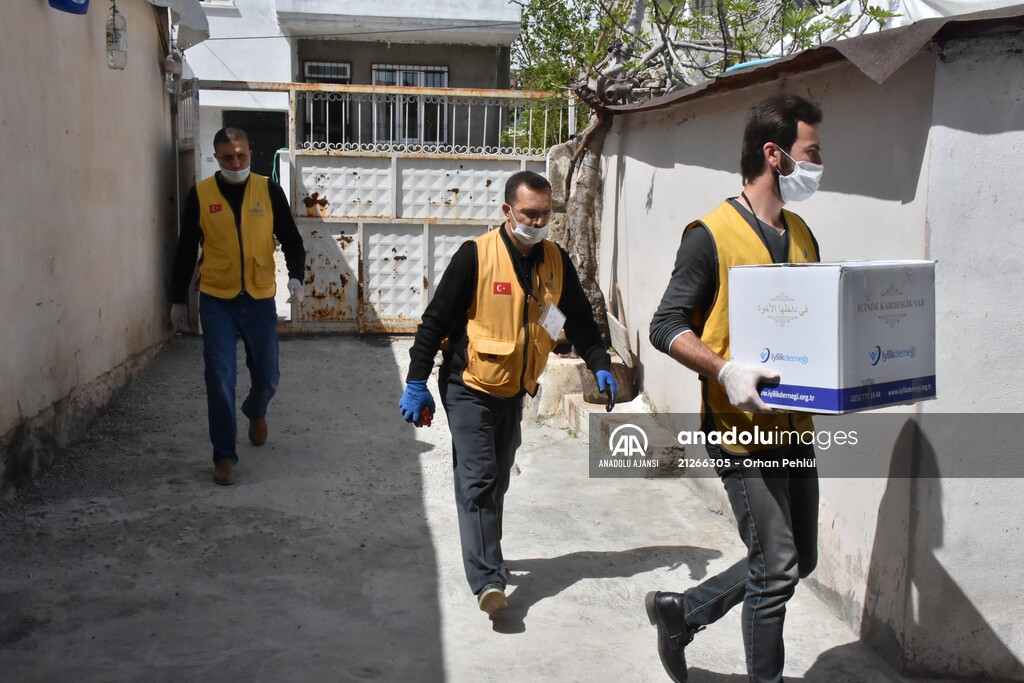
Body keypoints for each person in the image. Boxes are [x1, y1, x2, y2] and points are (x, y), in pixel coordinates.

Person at [646, 94, 824, 682]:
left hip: (795, 427)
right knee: (775, 569)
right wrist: (725, 370)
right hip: (741, 432)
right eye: (811, 152)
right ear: (775, 155)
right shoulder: (710, 235)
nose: (819, 164)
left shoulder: (803, 235)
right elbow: (665, 326)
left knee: (799, 559)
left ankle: (682, 613)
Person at [400, 171, 617, 616]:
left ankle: (487, 554)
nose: (537, 222)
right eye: (529, 213)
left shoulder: (555, 260)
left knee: (497, 478)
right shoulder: (475, 256)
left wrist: (599, 362)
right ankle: (488, 581)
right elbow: (434, 321)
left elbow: (576, 317)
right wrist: (416, 380)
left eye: (545, 214)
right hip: (468, 385)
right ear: (507, 211)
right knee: (478, 479)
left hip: (514, 391)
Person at [170, 127, 306, 486]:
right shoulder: (201, 194)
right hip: (217, 299)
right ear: (217, 157)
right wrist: (177, 299)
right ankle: (224, 457)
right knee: (219, 377)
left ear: (250, 154)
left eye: (242, 155)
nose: (236, 162)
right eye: (228, 157)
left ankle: (256, 409)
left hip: (259, 298)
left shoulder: (268, 190)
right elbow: (186, 249)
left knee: (268, 373)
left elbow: (292, 240)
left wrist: (296, 277)